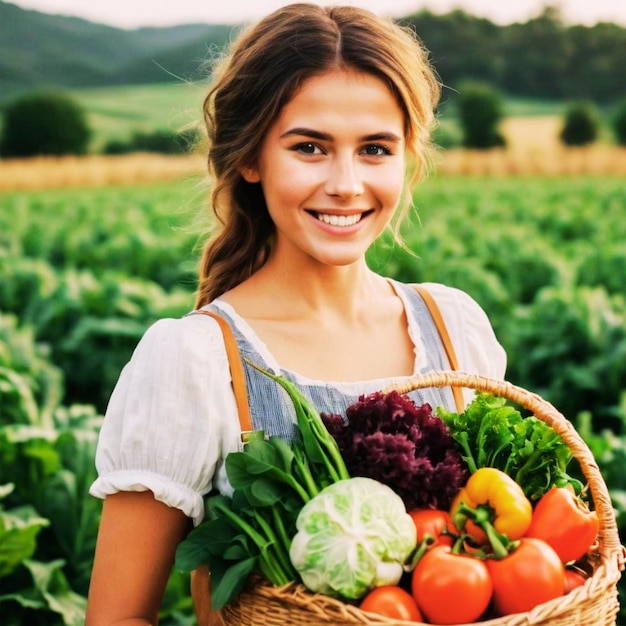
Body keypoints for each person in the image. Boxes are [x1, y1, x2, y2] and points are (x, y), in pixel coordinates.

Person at [85, 3, 506, 625]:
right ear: (250, 158)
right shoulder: (196, 361)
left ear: (407, 157)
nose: (345, 183)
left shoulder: (454, 327)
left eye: (375, 149)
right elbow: (119, 617)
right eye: (310, 147)